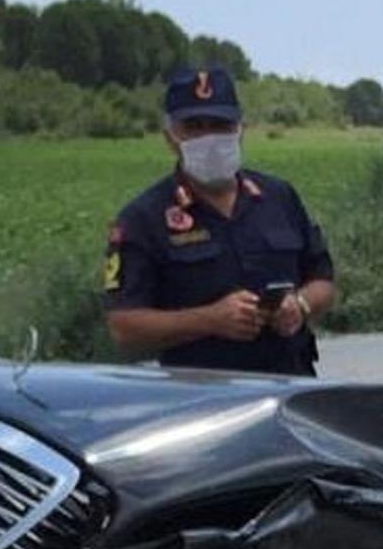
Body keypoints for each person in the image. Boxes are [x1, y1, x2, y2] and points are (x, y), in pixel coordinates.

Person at [103, 67, 335, 376]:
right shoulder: (142, 219)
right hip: (203, 398)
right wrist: (209, 320)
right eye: (194, 127)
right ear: (170, 136)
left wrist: (300, 305)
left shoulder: (279, 197)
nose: (209, 137)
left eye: (220, 125)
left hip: (290, 384)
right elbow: (124, 328)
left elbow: (323, 281)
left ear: (240, 128)